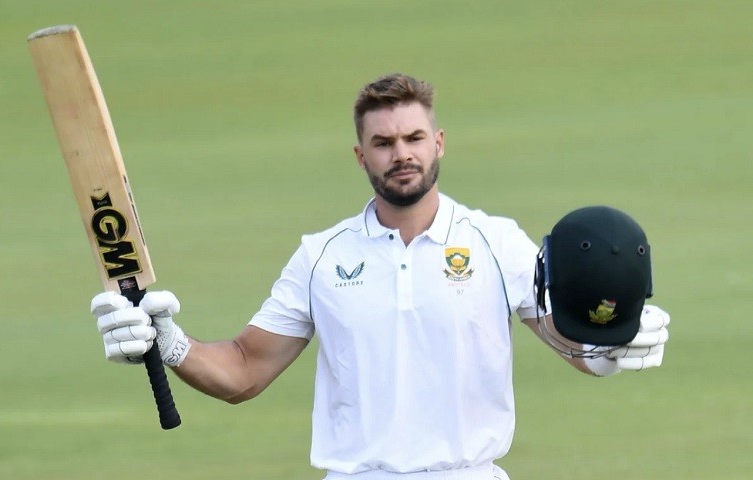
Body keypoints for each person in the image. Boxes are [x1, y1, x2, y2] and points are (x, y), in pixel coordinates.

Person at [92, 73, 670, 480]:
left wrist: (615, 341)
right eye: (383, 143)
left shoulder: (496, 243)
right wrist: (169, 341)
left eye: (414, 138)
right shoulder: (321, 256)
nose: (402, 154)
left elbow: (573, 344)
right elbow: (244, 370)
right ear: (361, 155)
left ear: (438, 143)